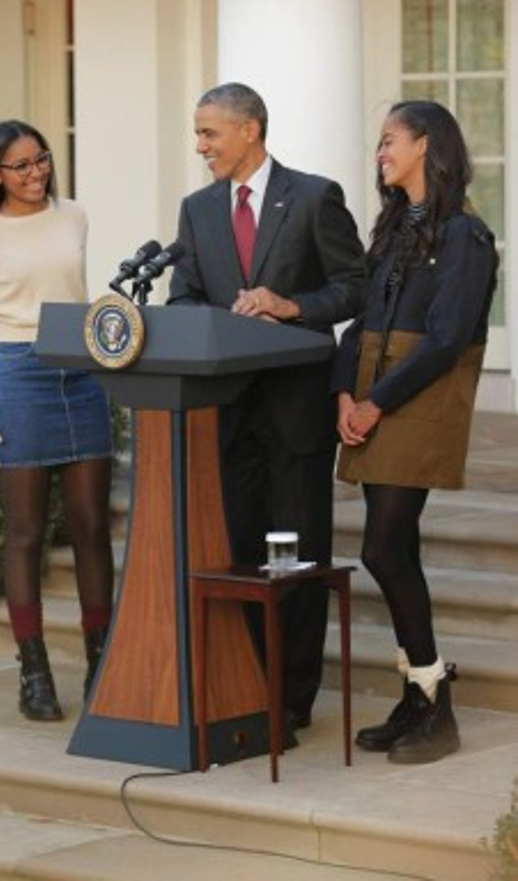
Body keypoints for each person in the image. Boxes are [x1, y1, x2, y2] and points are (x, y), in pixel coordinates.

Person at [168, 82, 366, 735]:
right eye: (197, 134)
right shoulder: (196, 211)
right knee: (244, 558)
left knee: (298, 558)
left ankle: (290, 699)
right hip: (228, 414)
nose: (200, 147)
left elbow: (353, 287)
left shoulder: (313, 197)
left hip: (296, 413)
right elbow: (182, 299)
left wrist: (289, 305)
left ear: (248, 129)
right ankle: (250, 685)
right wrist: (218, 318)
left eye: (208, 133)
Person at [333, 100, 498, 764]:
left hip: (416, 404)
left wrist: (375, 403)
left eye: (389, 141)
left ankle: (433, 698)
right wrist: (345, 390)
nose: (380, 153)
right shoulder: (396, 227)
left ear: (428, 145)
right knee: (393, 548)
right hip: (375, 396)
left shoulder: (463, 235)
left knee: (381, 548)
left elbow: (446, 338)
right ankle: (417, 695)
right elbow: (359, 323)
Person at [0, 120, 115, 722]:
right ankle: (34, 672)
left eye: (40, 160)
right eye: (20, 166)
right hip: (18, 376)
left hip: (82, 370)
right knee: (24, 532)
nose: (35, 172)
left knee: (93, 526)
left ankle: (102, 663)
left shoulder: (75, 216)